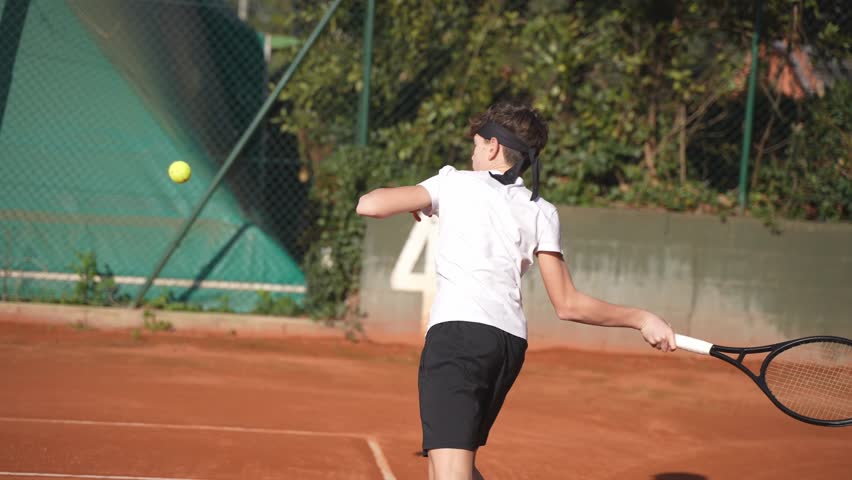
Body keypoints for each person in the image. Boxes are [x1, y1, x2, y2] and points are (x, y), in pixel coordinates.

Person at [356, 102, 676, 480]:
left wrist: (423, 199)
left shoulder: (453, 183)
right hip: (506, 346)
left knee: (449, 471)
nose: (472, 153)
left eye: (476, 145)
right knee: (450, 463)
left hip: (458, 339)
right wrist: (641, 318)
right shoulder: (541, 209)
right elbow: (569, 304)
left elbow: (369, 205)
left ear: (492, 147)